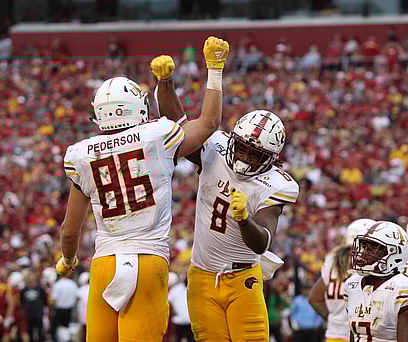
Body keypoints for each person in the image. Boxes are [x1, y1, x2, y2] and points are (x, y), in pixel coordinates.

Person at [55, 35, 229, 342]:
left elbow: (70, 230)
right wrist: (214, 70)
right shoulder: (156, 134)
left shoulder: (81, 153)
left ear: (99, 112)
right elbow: (208, 124)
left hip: (105, 261)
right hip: (148, 260)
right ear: (139, 106)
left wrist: (68, 260)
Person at [153, 64, 299, 340]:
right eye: (241, 147)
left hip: (243, 277)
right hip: (201, 277)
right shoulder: (216, 149)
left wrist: (244, 219)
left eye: (254, 154)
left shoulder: (276, 185)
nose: (243, 157)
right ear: (233, 140)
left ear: (272, 158)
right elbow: (181, 128)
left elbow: (262, 242)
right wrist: (166, 83)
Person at [308, 218, 376, 342]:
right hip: (362, 335)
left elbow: (314, 298)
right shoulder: (367, 263)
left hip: (335, 334)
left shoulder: (331, 260)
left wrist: (334, 320)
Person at [344, 221, 408, 342]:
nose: (363, 253)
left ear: (394, 253)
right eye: (364, 246)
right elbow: (354, 334)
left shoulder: (402, 289)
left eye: (373, 248)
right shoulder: (352, 284)